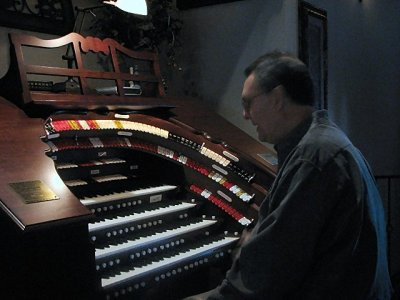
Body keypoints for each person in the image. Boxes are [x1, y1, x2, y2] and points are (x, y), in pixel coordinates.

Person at [184, 51, 392, 299]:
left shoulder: (314, 157)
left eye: (248, 103)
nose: (245, 115)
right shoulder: (325, 143)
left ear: (277, 99)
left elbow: (269, 271)